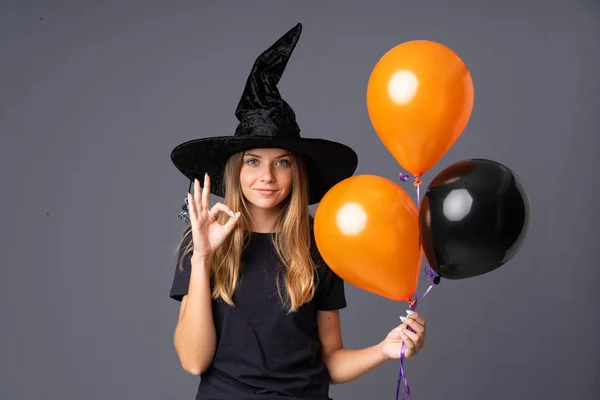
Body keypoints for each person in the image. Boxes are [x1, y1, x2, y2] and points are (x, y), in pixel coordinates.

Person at [168, 23, 427, 400]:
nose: (267, 177)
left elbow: (329, 361)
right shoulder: (202, 240)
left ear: (298, 171)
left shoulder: (320, 242)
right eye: (253, 161)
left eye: (282, 162)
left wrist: (384, 350)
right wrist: (203, 258)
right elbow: (194, 361)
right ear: (235, 170)